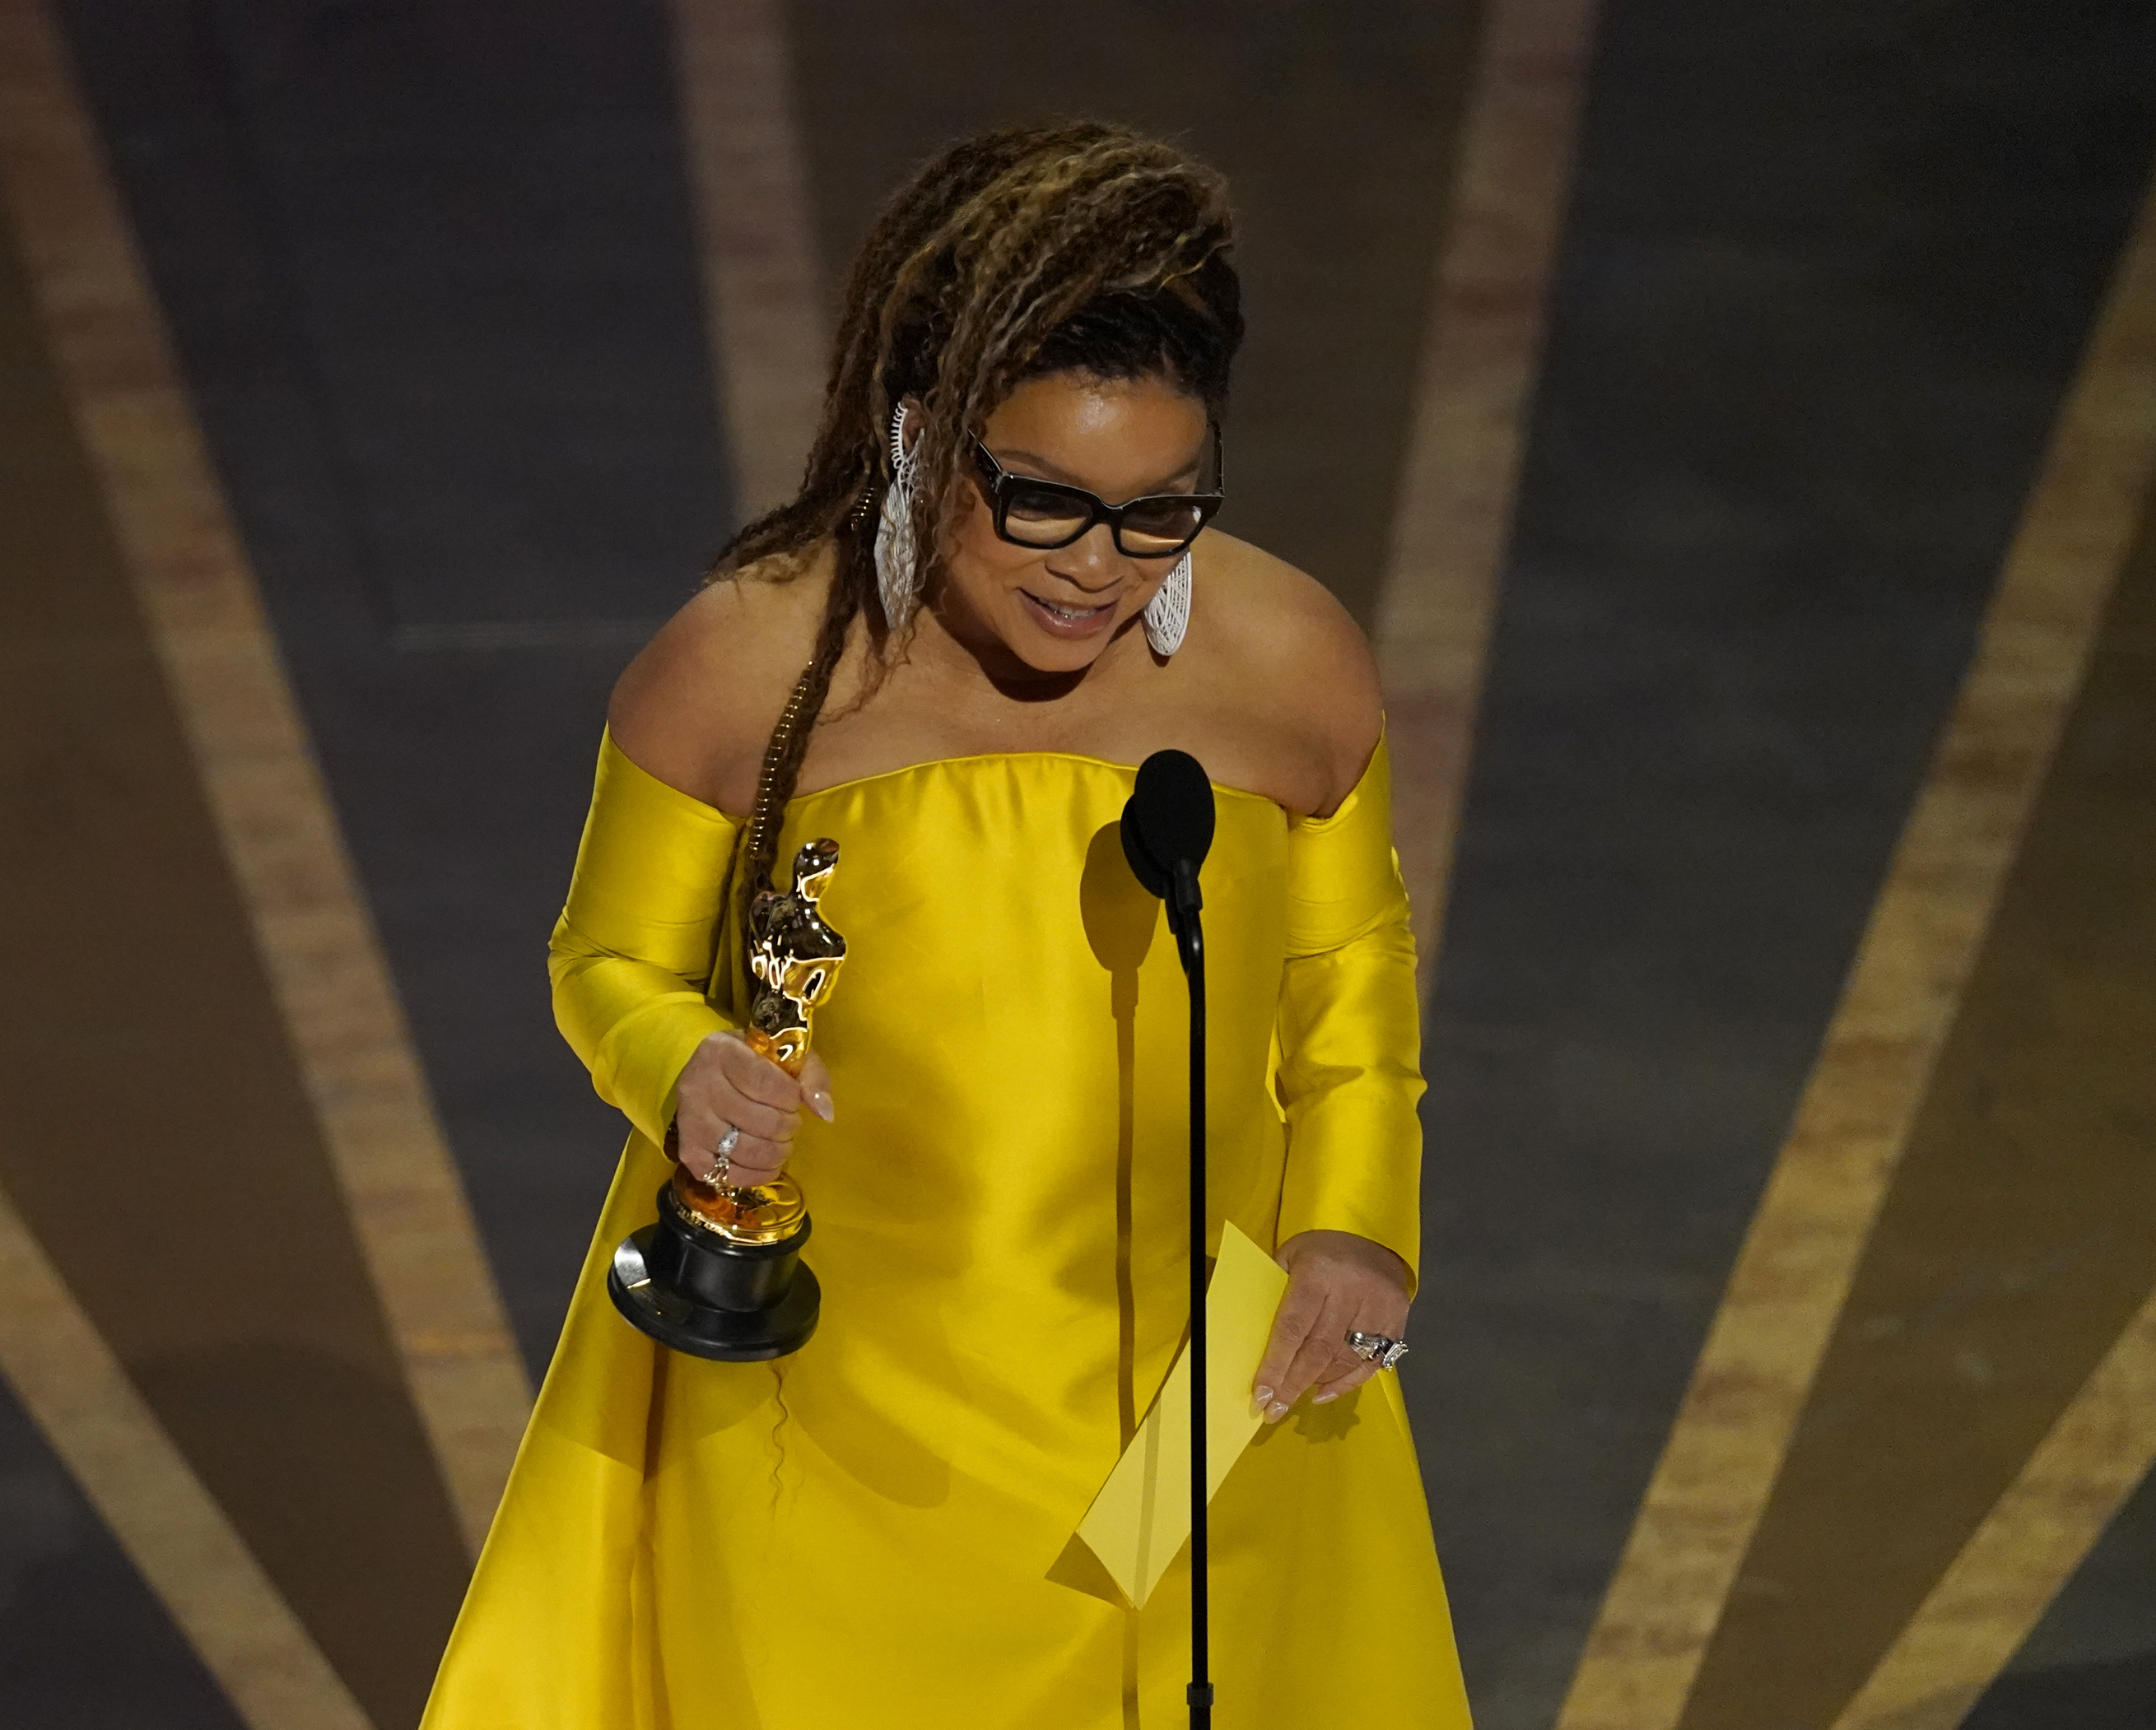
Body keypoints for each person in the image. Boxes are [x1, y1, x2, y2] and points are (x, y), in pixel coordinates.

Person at [421, 121, 1470, 1728]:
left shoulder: (1290, 660)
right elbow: (602, 960)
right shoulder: (753, 662)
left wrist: (1354, 1225)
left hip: (1198, 1397)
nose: (1098, 571)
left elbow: (1348, 971)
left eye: (1157, 513)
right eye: (1043, 502)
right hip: (837, 1408)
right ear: (923, 437)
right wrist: (686, 1059)